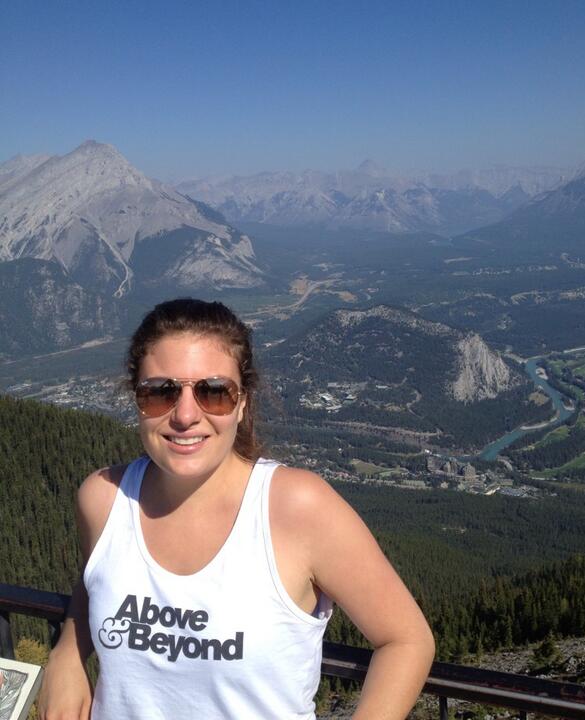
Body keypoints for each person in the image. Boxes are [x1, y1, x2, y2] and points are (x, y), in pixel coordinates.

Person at [38, 298, 435, 720]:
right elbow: (96, 581)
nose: (186, 415)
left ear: (242, 402)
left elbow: (406, 640)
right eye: (160, 392)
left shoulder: (296, 508)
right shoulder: (103, 499)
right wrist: (68, 650)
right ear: (136, 399)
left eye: (213, 392)